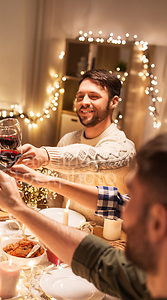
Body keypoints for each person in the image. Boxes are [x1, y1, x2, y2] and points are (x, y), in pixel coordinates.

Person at [0, 128, 167, 300]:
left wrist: (17, 207)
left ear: (160, 223)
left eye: (135, 198)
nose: (122, 213)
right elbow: (101, 252)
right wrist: (46, 183)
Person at [19, 69, 135, 223]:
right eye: (80, 97)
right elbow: (54, 197)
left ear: (113, 102)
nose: (84, 102)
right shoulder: (67, 141)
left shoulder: (124, 148)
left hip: (106, 240)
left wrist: (45, 155)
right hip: (68, 233)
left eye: (93, 96)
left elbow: (93, 157)